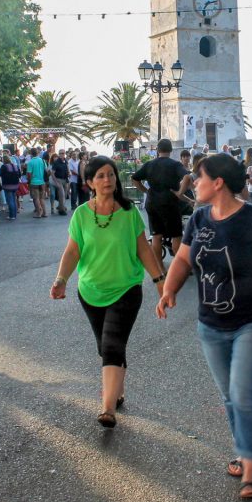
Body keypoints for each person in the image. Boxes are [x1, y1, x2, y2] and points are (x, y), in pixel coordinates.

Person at [156, 154, 252, 501]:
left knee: (245, 393)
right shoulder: (200, 218)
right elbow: (184, 258)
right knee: (230, 395)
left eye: (198, 177)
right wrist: (168, 290)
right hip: (211, 324)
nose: (193, 182)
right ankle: (245, 447)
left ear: (217, 182)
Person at [50, 156, 166, 428]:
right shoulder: (81, 214)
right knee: (107, 348)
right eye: (100, 176)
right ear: (89, 182)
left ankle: (107, 407)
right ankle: (117, 390)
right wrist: (61, 279)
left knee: (112, 343)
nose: (107, 180)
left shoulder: (128, 213)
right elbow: (73, 251)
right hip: (90, 291)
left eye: (111, 174)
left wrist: (160, 280)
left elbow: (143, 249)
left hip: (126, 288)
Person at [132, 139, 189, 260]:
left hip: (152, 202)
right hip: (170, 202)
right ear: (171, 150)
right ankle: (177, 266)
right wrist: (180, 192)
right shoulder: (175, 164)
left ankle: (159, 267)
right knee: (176, 235)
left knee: (156, 236)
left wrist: (145, 191)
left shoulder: (149, 164)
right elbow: (187, 176)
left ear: (157, 150)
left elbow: (135, 178)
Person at [25, 147, 48, 218]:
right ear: (37, 153)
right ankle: (45, 212)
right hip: (42, 182)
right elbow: (46, 170)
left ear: (31, 154)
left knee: (36, 198)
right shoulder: (42, 161)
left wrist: (29, 181)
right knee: (42, 198)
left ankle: (39, 213)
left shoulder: (30, 162)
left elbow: (29, 174)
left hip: (34, 182)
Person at [0, 156, 21, 221]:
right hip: (15, 185)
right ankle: (14, 214)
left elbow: (1, 174)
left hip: (7, 185)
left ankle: (12, 215)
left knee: (10, 200)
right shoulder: (15, 166)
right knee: (14, 199)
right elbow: (19, 174)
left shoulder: (4, 166)